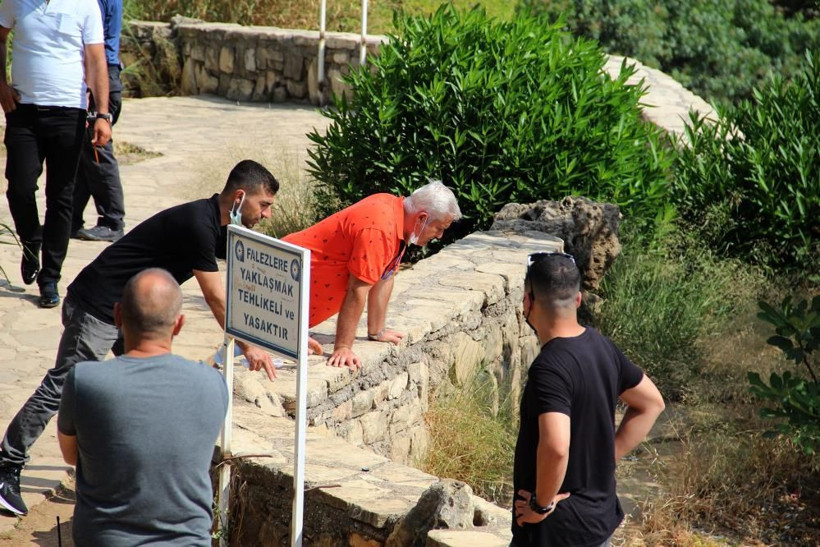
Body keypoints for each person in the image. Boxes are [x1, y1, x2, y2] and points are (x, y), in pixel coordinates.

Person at [0, 159, 278, 516]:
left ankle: (116, 469)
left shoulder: (214, 223)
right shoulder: (199, 224)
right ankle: (8, 464)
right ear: (240, 197)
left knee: (147, 382)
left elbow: (258, 268)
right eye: (264, 205)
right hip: (98, 306)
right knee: (63, 384)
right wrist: (250, 346)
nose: (267, 214)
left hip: (126, 313)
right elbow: (216, 298)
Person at [57, 268, 228, 546]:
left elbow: (72, 454)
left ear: (117, 315)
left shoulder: (85, 381)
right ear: (179, 324)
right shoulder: (212, 383)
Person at [511, 252, 665, 546]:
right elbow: (651, 403)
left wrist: (541, 505)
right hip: (598, 521)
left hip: (557, 531)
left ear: (527, 302)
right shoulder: (602, 346)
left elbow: (556, 446)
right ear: (578, 300)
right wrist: (605, 458)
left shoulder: (549, 367)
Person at [0, 0, 111, 308]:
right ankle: (31, 242)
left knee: (61, 197)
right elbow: (0, 37)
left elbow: (96, 60)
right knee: (20, 187)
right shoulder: (15, 1)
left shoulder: (86, 5)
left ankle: (50, 278)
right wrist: (0, 84)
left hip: (69, 113)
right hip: (23, 111)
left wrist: (102, 114)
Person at [283, 180, 461, 369]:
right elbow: (357, 289)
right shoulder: (380, 229)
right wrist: (343, 346)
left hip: (293, 309)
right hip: (280, 291)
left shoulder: (395, 213)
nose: (440, 236)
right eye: (439, 228)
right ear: (421, 218)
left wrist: (377, 331)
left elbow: (385, 274)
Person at [72, 0, 127, 243]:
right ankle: (70, 219)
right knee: (83, 155)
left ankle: (112, 222)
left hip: (101, 75)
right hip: (101, 74)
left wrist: (90, 85)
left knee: (97, 152)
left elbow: (95, 44)